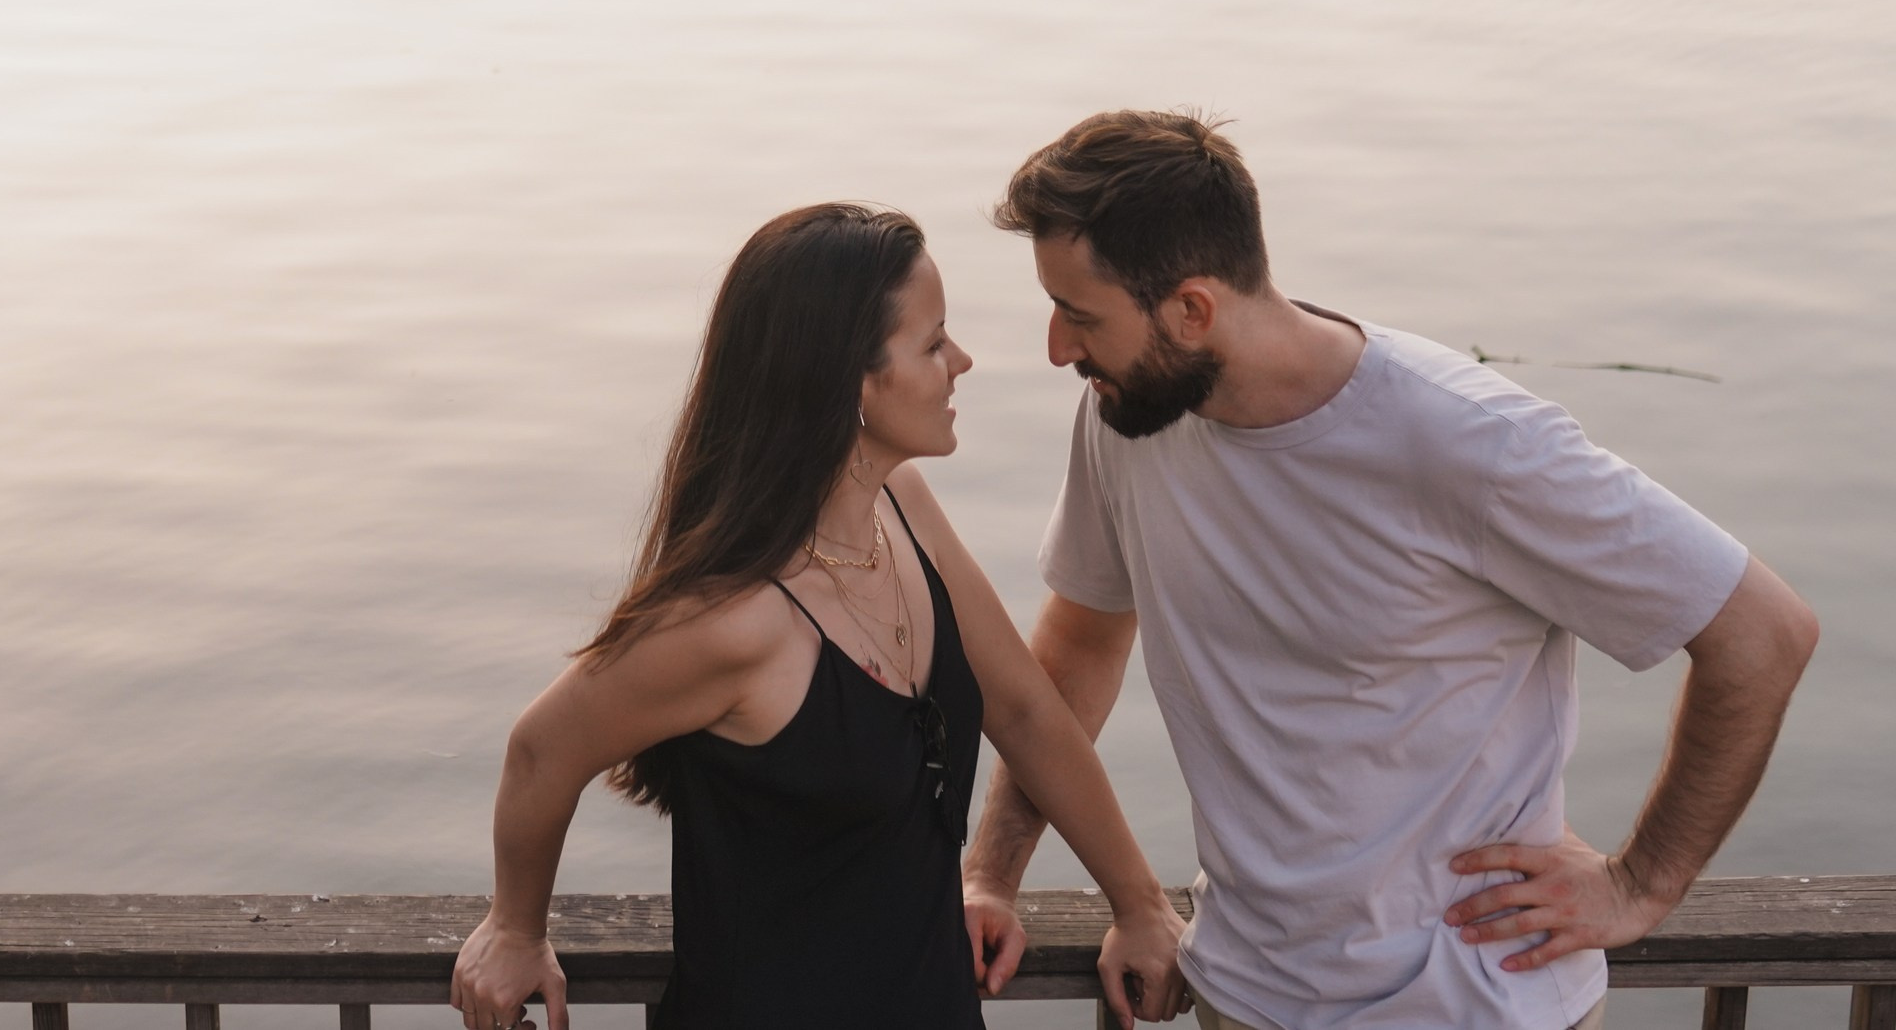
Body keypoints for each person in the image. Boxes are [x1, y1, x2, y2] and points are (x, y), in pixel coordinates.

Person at [959, 111, 1822, 1030]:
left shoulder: (1469, 442)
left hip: (1475, 1008)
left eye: (1080, 315)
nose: (1057, 347)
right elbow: (1079, 650)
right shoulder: (1128, 415)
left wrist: (1640, 881)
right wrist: (993, 872)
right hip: (1247, 996)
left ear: (1193, 308)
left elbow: (1762, 633)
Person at [450, 202, 1189, 1030]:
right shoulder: (731, 618)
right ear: (854, 383)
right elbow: (541, 749)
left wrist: (1139, 902)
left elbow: (1023, 710)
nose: (963, 360)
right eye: (934, 342)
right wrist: (515, 928)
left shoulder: (901, 508)